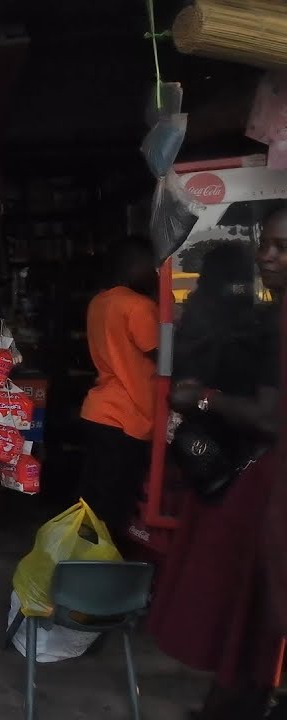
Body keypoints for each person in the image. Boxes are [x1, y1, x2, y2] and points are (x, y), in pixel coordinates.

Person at [149, 223, 285, 719]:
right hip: (236, 471)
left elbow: (269, 418)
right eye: (264, 246)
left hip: (251, 478)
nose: (268, 257)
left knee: (240, 603)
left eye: (281, 248)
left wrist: (203, 397)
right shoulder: (259, 317)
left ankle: (233, 703)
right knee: (245, 610)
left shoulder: (266, 325)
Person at [78, 239, 159, 541]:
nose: (155, 272)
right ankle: (103, 564)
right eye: (151, 265)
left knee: (94, 505)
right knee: (116, 508)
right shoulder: (140, 307)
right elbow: (164, 357)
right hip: (127, 417)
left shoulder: (99, 302)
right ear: (134, 266)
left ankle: (84, 560)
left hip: (100, 411)